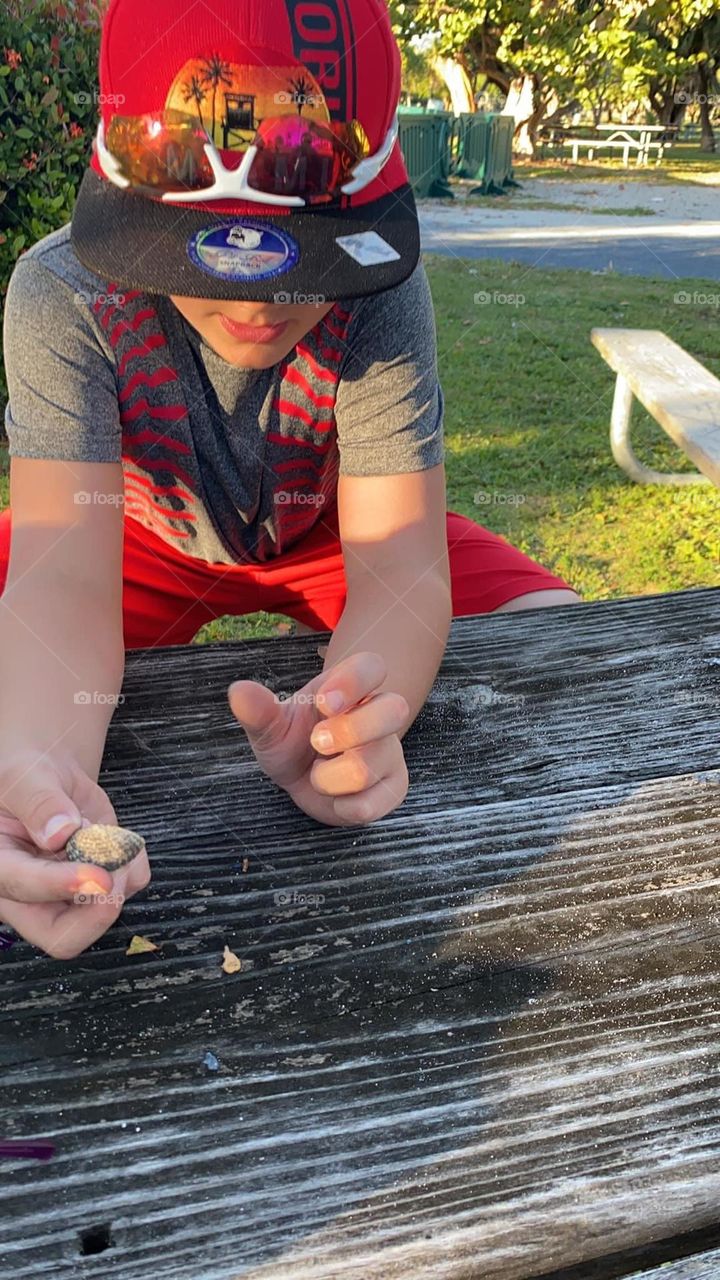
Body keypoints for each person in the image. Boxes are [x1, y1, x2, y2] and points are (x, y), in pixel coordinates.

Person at [0, 0, 578, 959]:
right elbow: (63, 577)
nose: (258, 305)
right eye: (206, 259)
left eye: (303, 263)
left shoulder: (382, 290)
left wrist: (352, 708)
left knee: (562, 633)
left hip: (332, 536)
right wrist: (44, 773)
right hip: (134, 538)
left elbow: (398, 563)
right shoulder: (63, 293)